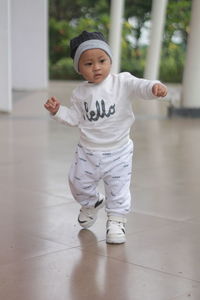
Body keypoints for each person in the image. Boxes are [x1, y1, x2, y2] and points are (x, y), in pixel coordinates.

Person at [44, 31, 167, 244]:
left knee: (118, 188)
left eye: (102, 61)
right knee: (77, 183)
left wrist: (153, 87)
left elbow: (141, 86)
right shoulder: (80, 93)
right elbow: (73, 118)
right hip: (87, 151)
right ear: (79, 69)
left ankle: (116, 221)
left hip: (118, 150)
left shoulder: (123, 82)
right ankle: (91, 202)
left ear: (110, 60)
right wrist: (57, 111)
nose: (97, 67)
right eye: (88, 64)